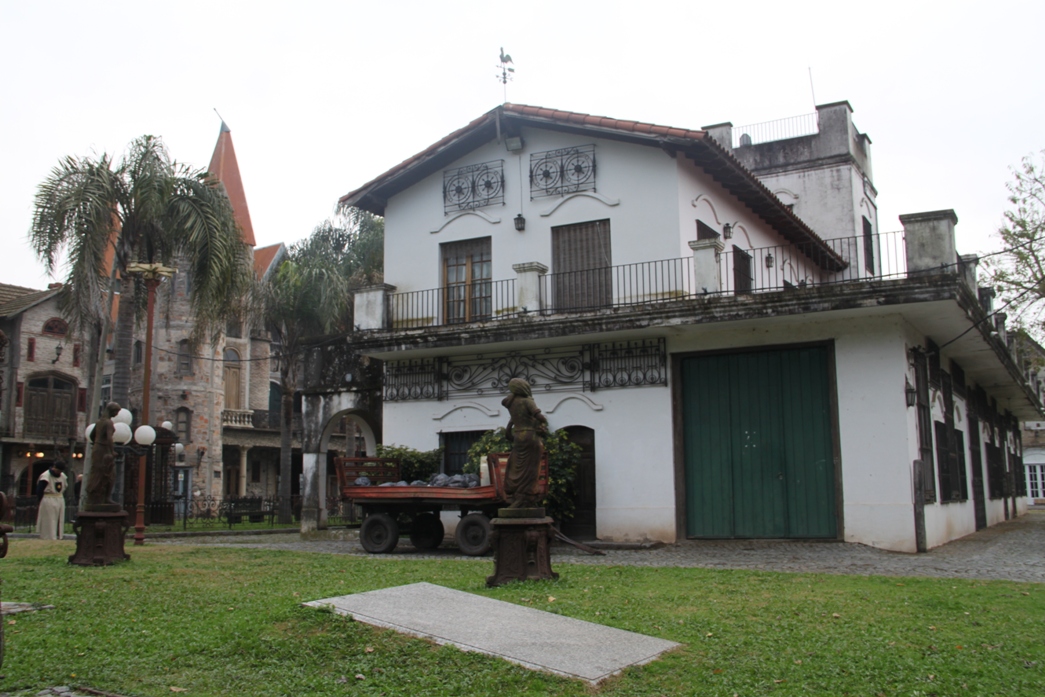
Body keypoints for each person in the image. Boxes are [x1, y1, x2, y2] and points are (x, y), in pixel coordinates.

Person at [501, 378, 549, 508]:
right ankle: (526, 495)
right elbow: (541, 418)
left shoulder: (511, 403)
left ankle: (519, 495)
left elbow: (510, 425)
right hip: (530, 436)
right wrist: (541, 422)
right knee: (531, 467)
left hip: (518, 436)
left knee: (517, 466)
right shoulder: (527, 401)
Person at [85, 401, 120, 510]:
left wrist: (97, 442)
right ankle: (106, 497)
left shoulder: (99, 421)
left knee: (96, 471)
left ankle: (95, 495)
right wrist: (112, 451)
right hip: (104, 449)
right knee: (109, 473)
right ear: (112, 411)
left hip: (97, 448)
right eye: (116, 411)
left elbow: (92, 435)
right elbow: (109, 438)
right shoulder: (108, 422)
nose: (117, 414)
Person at [36, 461, 68, 540]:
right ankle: (48, 536)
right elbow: (39, 490)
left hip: (59, 498)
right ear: (54, 468)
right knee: (49, 519)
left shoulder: (63, 476)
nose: (59, 472)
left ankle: (58, 535)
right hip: (48, 498)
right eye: (58, 470)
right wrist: (41, 500)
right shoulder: (46, 476)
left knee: (59, 519)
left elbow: (64, 486)